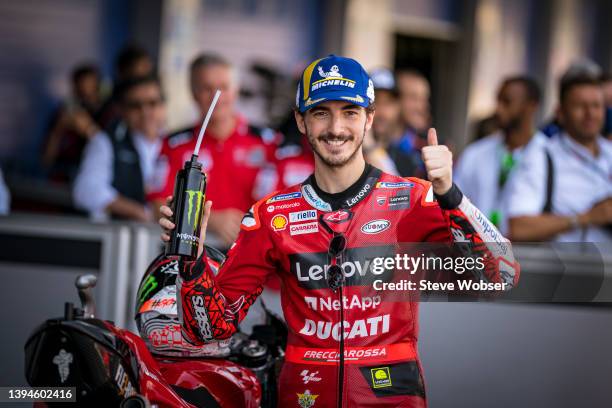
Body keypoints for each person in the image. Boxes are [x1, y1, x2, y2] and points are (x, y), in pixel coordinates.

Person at [159, 55, 519, 407]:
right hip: (304, 394)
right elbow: (207, 330)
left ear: (369, 120)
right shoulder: (271, 215)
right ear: (301, 121)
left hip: (392, 394)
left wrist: (450, 195)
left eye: (350, 112)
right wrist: (191, 262)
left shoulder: (413, 199)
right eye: (320, 113)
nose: (335, 128)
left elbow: (502, 276)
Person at [148, 53, 278, 248]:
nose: (217, 96)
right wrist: (208, 219)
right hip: (191, 254)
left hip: (251, 256)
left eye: (224, 88)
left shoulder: (269, 143)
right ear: (193, 92)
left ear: (236, 91)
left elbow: (282, 205)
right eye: (206, 88)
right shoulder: (174, 145)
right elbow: (158, 205)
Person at [507, 75, 612, 242]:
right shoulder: (542, 156)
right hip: (567, 266)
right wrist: (586, 218)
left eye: (596, 106)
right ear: (561, 113)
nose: (590, 113)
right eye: (580, 106)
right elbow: (518, 227)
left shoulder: (609, 152)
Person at [455, 76, 546, 233]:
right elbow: (454, 203)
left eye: (507, 102)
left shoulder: (547, 156)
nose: (498, 109)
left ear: (531, 106)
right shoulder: (475, 153)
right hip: (476, 252)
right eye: (498, 100)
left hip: (526, 254)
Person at [73, 75, 165, 221]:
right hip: (120, 236)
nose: (145, 112)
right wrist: (137, 212)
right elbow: (86, 191)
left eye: (152, 103)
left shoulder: (175, 144)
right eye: (136, 105)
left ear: (163, 106)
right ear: (122, 110)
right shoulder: (105, 142)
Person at [42, 63, 103, 182]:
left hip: (92, 178)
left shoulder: (108, 114)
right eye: (81, 92)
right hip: (61, 178)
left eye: (91, 93)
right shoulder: (64, 112)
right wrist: (59, 129)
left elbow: (111, 154)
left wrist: (88, 129)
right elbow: (46, 160)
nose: (86, 99)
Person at [369, 67, 422, 177]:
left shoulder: (408, 159)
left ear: (398, 107)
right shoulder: (348, 150)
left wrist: (371, 149)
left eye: (388, 103)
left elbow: (401, 191)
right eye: (375, 101)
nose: (381, 112)